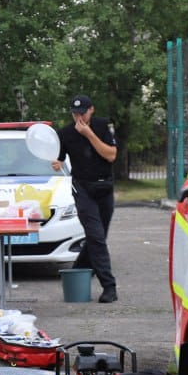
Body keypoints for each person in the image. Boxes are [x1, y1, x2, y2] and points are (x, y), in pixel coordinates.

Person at [53, 95, 119, 303]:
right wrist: (55, 163)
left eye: (82, 113)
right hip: (82, 188)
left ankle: (76, 275)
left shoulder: (101, 126)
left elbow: (110, 155)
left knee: (97, 238)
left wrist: (89, 134)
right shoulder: (65, 133)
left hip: (105, 187)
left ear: (91, 110)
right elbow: (59, 159)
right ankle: (109, 287)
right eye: (75, 113)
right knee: (96, 236)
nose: (79, 117)